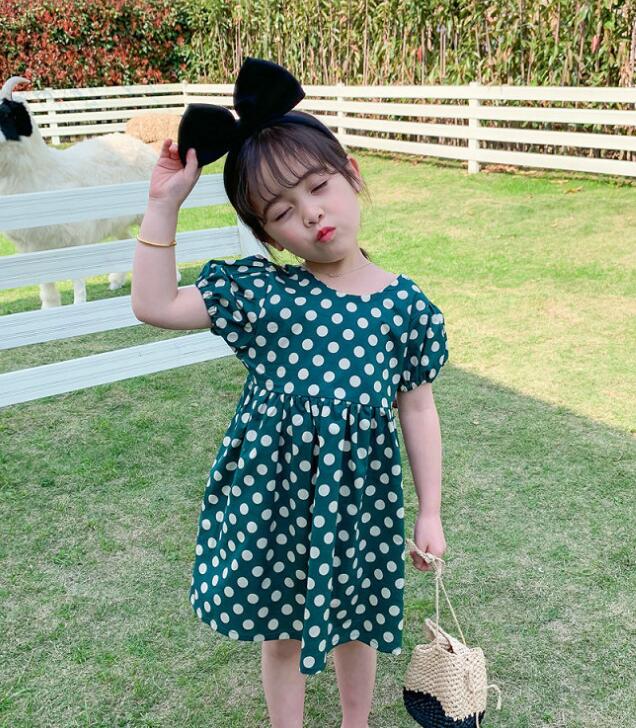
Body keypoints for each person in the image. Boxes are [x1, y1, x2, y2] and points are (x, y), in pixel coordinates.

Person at [131, 57, 449, 728]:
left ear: (351, 174)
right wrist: (164, 205)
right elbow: (154, 304)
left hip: (360, 501)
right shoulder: (265, 296)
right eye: (282, 211)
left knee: (356, 625)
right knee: (282, 633)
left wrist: (430, 511)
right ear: (267, 234)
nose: (311, 213)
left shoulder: (406, 308)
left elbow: (417, 408)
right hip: (272, 500)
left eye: (318, 186)